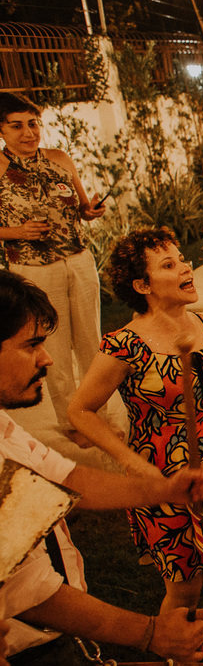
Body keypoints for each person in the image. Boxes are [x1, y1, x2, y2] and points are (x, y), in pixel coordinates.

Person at [0, 269, 203, 666]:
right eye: (31, 345)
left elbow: (68, 478)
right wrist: (148, 633)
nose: (47, 359)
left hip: (47, 656)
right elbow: (28, 591)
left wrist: (165, 491)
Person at [68, 228, 203, 666]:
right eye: (168, 265)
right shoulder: (125, 345)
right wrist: (134, 465)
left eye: (182, 260)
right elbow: (80, 411)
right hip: (160, 477)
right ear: (142, 286)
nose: (187, 268)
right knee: (184, 583)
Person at [0, 93, 107, 447]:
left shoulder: (59, 159)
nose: (28, 133)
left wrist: (90, 211)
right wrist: (16, 232)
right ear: (1, 129)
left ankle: (99, 414)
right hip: (35, 268)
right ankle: (72, 422)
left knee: (92, 341)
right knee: (55, 348)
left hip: (77, 259)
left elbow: (82, 205)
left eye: (33, 124)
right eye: (17, 126)